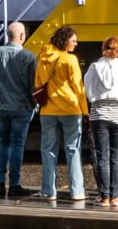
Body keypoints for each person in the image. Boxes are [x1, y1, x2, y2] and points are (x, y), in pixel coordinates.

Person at [31, 25, 88, 205]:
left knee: (48, 150)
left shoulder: (42, 57)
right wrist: (85, 111)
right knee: (73, 149)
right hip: (70, 109)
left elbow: (38, 83)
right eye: (73, 41)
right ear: (65, 41)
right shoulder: (69, 60)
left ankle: (48, 190)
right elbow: (79, 89)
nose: (76, 44)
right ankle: (77, 191)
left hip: (48, 110)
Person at [0, 21, 38, 199]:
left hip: (2, 107)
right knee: (17, 144)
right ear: (22, 36)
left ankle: (0, 183)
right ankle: (14, 184)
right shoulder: (28, 57)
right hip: (22, 107)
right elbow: (33, 85)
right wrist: (34, 104)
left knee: (3, 143)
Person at [82, 36, 118, 209]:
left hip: (99, 114)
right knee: (116, 156)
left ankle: (104, 197)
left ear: (103, 48)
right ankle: (115, 195)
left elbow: (88, 91)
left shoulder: (94, 68)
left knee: (102, 156)